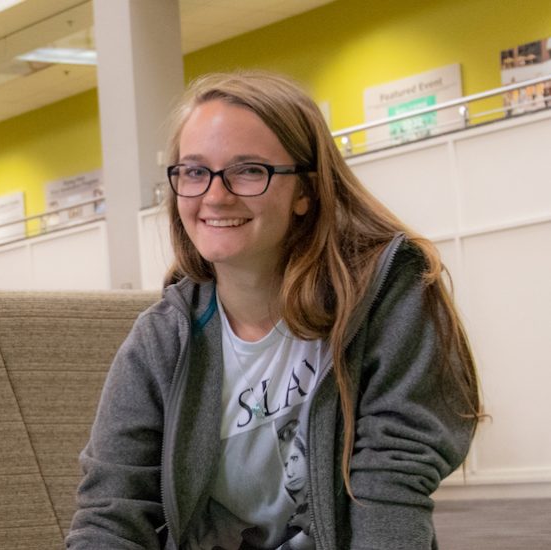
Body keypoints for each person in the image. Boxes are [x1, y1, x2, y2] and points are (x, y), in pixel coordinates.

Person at [66, 71, 481, 550]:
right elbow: (111, 514)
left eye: (248, 170)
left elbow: (391, 484)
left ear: (305, 191)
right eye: (195, 171)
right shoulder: (163, 338)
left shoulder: (384, 294)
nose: (215, 196)